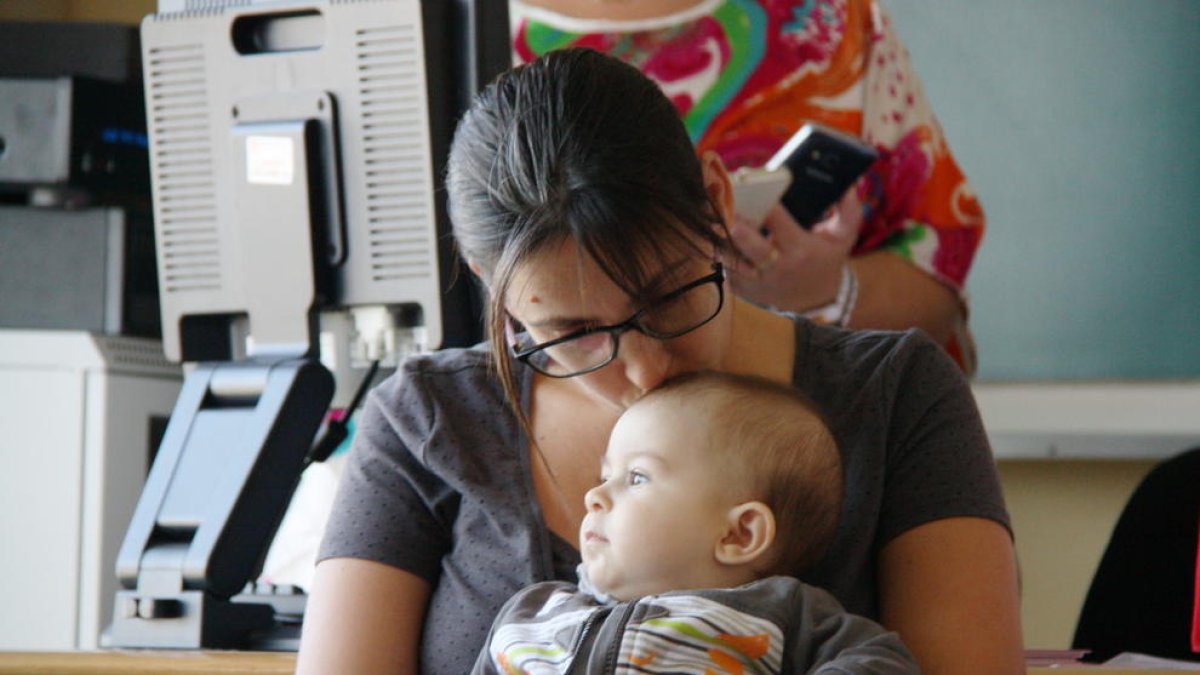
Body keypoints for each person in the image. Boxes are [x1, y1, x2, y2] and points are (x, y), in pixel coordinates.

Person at [296, 48, 1022, 675]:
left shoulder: (897, 396)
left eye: (669, 297)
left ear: (714, 199)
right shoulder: (427, 418)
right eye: (573, 332)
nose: (645, 373)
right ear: (500, 293)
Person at [511, 0, 985, 374]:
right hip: (567, 448)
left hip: (814, 445)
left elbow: (940, 273)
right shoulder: (456, 34)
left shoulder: (833, 20)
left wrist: (823, 290)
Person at [472, 370, 919, 674]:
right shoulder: (535, 613)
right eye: (604, 476)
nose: (595, 496)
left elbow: (883, 662)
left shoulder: (783, 615)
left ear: (738, 534)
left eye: (637, 477)